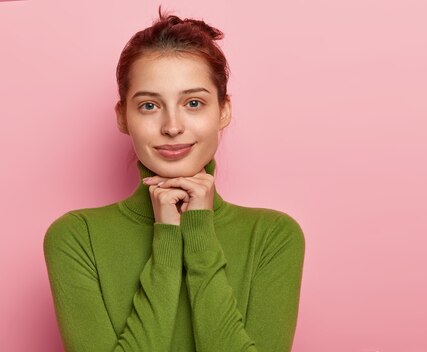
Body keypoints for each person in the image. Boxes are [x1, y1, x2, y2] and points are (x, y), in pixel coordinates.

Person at [43, 6, 306, 352]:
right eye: (149, 106)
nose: (171, 126)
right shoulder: (77, 238)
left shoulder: (274, 236)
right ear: (123, 117)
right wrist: (166, 242)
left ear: (223, 110)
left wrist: (198, 232)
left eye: (193, 103)